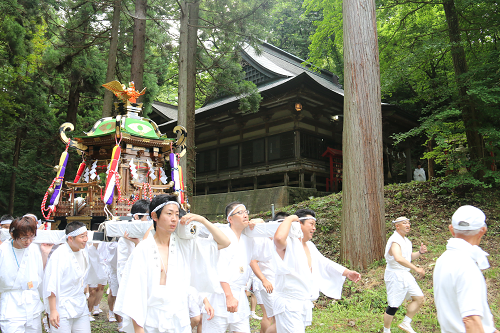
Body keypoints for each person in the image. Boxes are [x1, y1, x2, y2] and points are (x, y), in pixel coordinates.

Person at [114, 194, 231, 333]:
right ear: (155, 216)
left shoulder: (185, 245)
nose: (174, 218)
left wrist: (202, 220)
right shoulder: (143, 250)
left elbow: (224, 242)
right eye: (169, 214)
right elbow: (135, 295)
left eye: (176, 214)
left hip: (179, 320)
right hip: (152, 322)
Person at [273, 209, 361, 333]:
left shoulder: (310, 246)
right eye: (311, 224)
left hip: (302, 302)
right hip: (289, 302)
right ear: (299, 225)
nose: (314, 228)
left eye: (315, 225)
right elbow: (278, 239)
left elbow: (324, 263)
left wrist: (346, 272)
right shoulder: (289, 244)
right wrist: (289, 219)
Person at [202, 201, 272, 333]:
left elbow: (266, 254)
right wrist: (228, 296)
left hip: (239, 294)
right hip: (219, 294)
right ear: (230, 219)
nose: (245, 215)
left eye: (246, 212)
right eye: (240, 213)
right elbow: (219, 268)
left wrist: (261, 231)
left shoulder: (248, 238)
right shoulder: (222, 235)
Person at [433, 205, 499, 333]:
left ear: (451, 230)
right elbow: (471, 320)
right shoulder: (466, 266)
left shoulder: (443, 260)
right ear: (482, 231)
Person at [43, 221, 91, 333]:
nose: (85, 239)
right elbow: (52, 284)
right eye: (82, 236)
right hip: (62, 305)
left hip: (80, 303)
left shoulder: (84, 251)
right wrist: (53, 310)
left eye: (86, 235)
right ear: (70, 238)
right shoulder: (59, 255)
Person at [383, 216, 427, 333]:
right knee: (393, 306)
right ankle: (386, 331)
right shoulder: (395, 240)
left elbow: (408, 257)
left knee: (419, 298)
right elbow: (398, 258)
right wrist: (416, 269)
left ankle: (406, 323)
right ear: (397, 226)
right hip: (395, 275)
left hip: (405, 274)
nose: (408, 225)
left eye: (408, 223)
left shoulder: (406, 241)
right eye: (404, 223)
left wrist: (419, 252)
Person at [0, 216, 44, 332]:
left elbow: (40, 275)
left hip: (32, 302)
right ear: (13, 235)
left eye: (31, 237)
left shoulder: (34, 249)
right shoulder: (3, 250)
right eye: (24, 238)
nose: (28, 241)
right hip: (11, 304)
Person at [117, 199, 150, 283]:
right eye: (148, 217)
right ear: (136, 217)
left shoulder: (150, 233)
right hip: (131, 280)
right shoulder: (126, 238)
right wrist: (137, 243)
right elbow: (124, 266)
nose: (150, 221)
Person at [87, 242, 108, 319]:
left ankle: (96, 307)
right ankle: (88, 312)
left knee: (101, 287)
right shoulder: (90, 243)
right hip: (93, 266)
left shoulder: (105, 242)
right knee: (93, 290)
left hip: (104, 264)